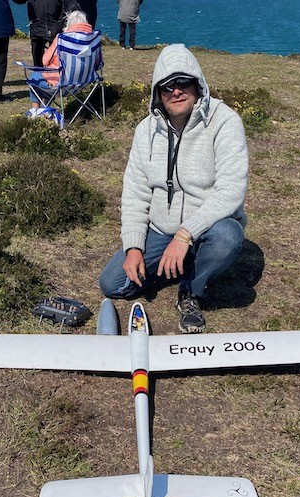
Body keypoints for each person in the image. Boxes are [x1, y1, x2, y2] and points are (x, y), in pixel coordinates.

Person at [99, 44, 248, 333]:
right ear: (158, 93)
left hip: (207, 226)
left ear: (198, 85)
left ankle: (191, 289)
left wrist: (185, 235)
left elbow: (231, 190)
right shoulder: (146, 130)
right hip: (160, 228)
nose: (176, 91)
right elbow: (135, 192)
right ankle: (176, 263)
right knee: (113, 284)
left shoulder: (225, 122)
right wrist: (133, 246)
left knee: (228, 237)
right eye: (167, 86)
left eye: (183, 82)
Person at [25, 10, 92, 114]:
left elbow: (44, 61)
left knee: (35, 77)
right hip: (84, 82)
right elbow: (99, 64)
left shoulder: (62, 39)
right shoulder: (92, 39)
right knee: (48, 77)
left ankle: (36, 111)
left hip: (63, 84)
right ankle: (45, 107)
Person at [23, 0, 78, 67]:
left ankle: (55, 74)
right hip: (37, 26)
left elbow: (69, 3)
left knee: (56, 60)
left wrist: (62, 21)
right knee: (37, 62)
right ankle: (38, 74)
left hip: (55, 25)